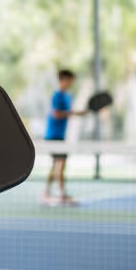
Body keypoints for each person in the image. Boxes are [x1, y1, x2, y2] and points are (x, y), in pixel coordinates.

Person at [44, 68, 85, 206]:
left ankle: (47, 192)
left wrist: (77, 113)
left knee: (56, 165)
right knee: (59, 164)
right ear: (63, 80)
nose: (71, 83)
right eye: (70, 80)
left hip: (61, 135)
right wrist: (74, 113)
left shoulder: (68, 96)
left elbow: (68, 112)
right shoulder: (57, 96)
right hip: (53, 135)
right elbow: (56, 114)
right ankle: (62, 194)